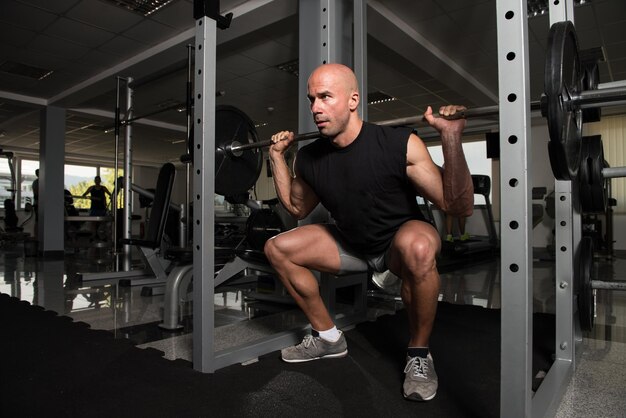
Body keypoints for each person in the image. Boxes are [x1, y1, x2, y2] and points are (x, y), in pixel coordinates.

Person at [263, 63, 473, 402]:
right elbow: (296, 207)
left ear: (353, 100)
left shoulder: (400, 144)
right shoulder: (310, 157)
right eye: (312, 99)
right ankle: (328, 337)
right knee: (277, 248)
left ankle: (419, 354)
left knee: (418, 248)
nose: (315, 108)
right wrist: (276, 157)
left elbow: (458, 206)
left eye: (326, 97)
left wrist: (451, 137)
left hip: (397, 242)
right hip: (351, 242)